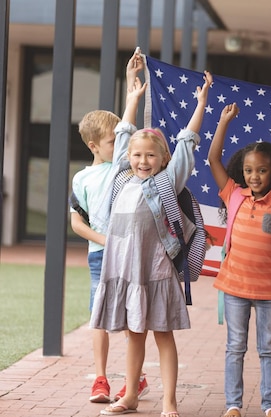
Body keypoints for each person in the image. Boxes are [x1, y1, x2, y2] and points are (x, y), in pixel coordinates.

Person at [89, 68, 213, 416]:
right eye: (137, 155)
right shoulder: (120, 177)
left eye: (150, 156)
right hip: (125, 272)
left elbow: (187, 141)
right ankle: (129, 397)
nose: (143, 161)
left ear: (163, 160)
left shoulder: (166, 183)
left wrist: (200, 104)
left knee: (162, 335)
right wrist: (133, 97)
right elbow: (124, 131)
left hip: (156, 270)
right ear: (128, 157)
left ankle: (169, 401)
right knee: (133, 335)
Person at [208, 102, 271, 417]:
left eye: (261, 170)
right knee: (235, 347)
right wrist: (223, 122)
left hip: (270, 290)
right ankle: (233, 404)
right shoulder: (234, 194)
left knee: (268, 349)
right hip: (234, 286)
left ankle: (270, 405)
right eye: (249, 170)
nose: (255, 176)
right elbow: (212, 158)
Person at [70, 48, 149, 403]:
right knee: (99, 319)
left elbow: (129, 127)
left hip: (130, 256)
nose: (119, 144)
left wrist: (132, 94)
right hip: (100, 258)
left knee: (133, 319)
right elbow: (77, 223)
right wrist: (106, 240)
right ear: (93, 146)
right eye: (111, 142)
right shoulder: (82, 178)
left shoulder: (123, 168)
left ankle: (137, 379)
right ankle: (100, 379)